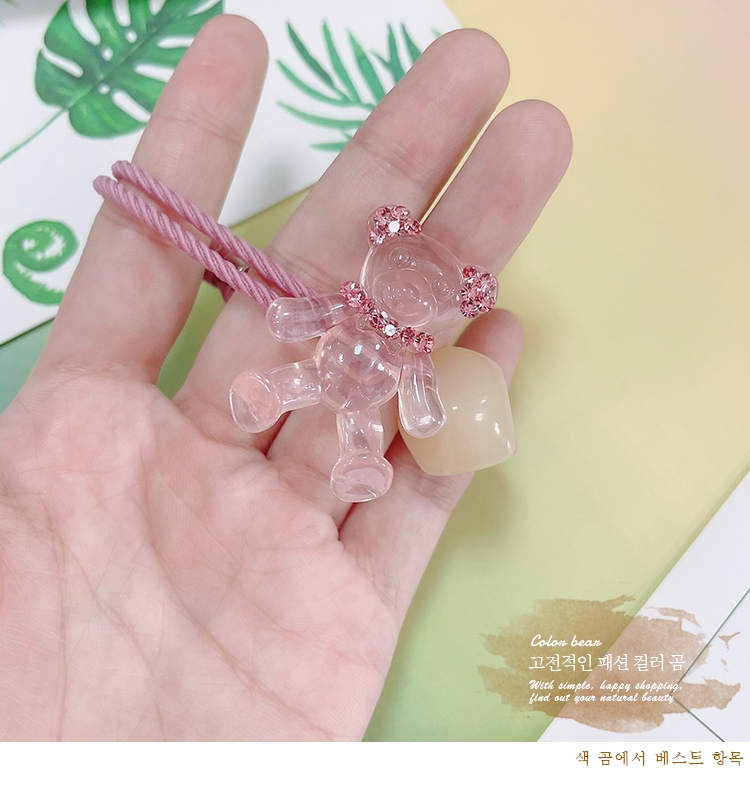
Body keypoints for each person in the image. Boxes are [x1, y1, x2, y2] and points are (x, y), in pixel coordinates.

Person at [0, 15, 571, 740]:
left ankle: (358, 459)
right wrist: (297, 317)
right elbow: (305, 316)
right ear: (384, 250)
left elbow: (421, 395)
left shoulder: (414, 348)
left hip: (363, 394)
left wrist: (424, 412)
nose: (405, 293)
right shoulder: (354, 305)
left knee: (358, 429)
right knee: (296, 381)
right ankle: (267, 394)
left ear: (449, 300)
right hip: (325, 364)